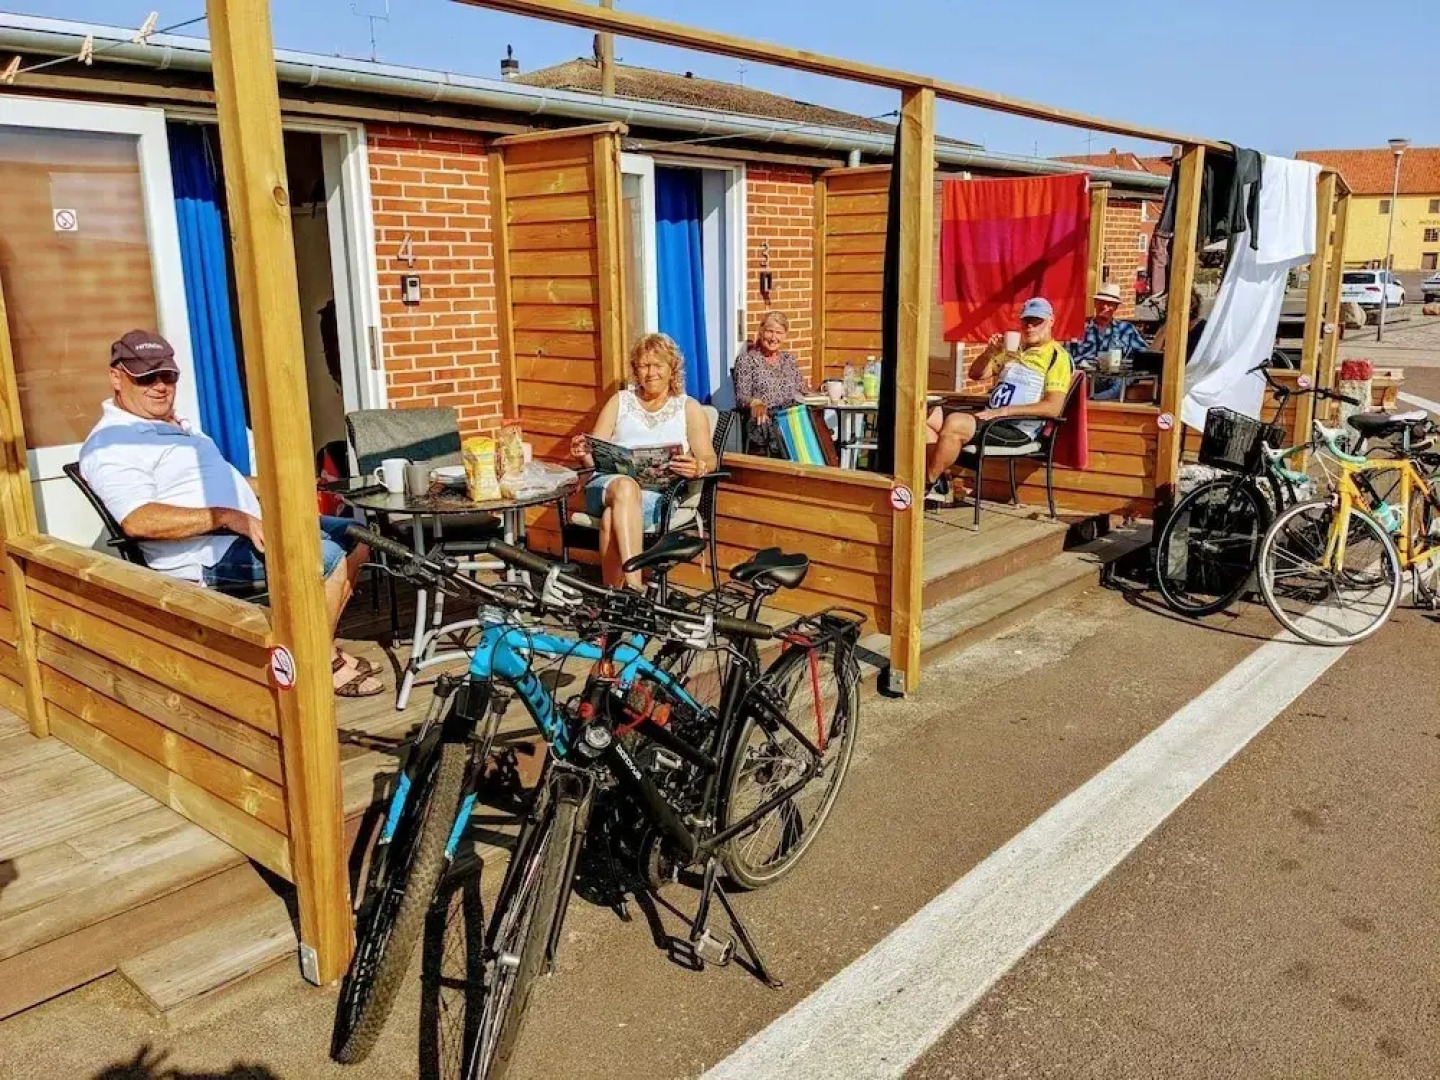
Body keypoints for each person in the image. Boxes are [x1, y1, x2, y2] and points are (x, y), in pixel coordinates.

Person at [79, 330, 382, 698]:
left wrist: (289, 485)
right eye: (146, 377)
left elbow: (222, 479)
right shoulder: (112, 443)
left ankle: (320, 649)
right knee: (325, 558)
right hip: (205, 556)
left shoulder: (175, 425)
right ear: (116, 377)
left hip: (247, 530)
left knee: (356, 535)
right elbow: (138, 520)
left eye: (168, 375)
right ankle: (317, 665)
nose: (160, 386)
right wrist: (230, 517)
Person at [571, 333, 717, 590]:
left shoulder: (688, 407)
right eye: (643, 365)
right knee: (626, 487)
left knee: (610, 518)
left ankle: (614, 597)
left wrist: (699, 466)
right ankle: (636, 583)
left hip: (658, 496)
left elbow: (708, 457)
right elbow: (593, 457)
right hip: (606, 487)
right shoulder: (620, 401)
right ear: (636, 370)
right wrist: (583, 451)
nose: (650, 373)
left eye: (657, 365)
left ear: (672, 369)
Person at [924, 297, 1074, 500]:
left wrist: (1004, 411)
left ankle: (925, 485)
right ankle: (939, 481)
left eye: (1036, 321)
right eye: (1026, 321)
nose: (1030, 326)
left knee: (956, 423)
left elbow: (1053, 407)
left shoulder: (1057, 357)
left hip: (1018, 427)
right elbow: (976, 375)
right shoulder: (1013, 350)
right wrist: (989, 353)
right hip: (991, 418)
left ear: (1051, 322)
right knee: (927, 415)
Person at [731, 311, 810, 457]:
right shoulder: (747, 360)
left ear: (785, 335)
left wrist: (823, 393)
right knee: (788, 431)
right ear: (761, 332)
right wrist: (756, 403)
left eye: (779, 332)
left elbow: (803, 389)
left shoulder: (788, 360)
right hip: (764, 418)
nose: (774, 338)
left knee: (815, 424)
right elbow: (742, 397)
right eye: (769, 331)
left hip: (791, 415)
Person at [1069, 282, 1149, 401]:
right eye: (1101, 302)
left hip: (1114, 379)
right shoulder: (1079, 327)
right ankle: (1092, 401)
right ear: (1095, 304)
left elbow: (1145, 356)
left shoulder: (1126, 330)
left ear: (1116, 307)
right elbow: (1066, 356)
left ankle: (1094, 401)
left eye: (1110, 304)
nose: (1105, 307)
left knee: (1121, 382)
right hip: (1086, 377)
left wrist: (1124, 367)